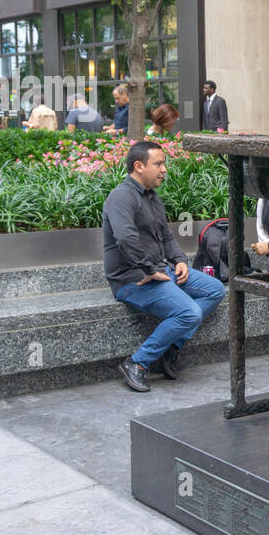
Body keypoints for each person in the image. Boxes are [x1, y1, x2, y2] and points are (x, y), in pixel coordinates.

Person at [104, 141, 227, 392]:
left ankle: (171, 344)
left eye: (164, 163)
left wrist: (180, 260)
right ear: (139, 166)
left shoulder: (153, 198)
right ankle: (137, 363)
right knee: (189, 312)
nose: (164, 169)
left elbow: (167, 238)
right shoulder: (121, 197)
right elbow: (126, 239)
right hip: (133, 278)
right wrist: (150, 270)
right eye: (158, 164)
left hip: (161, 270)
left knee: (215, 289)